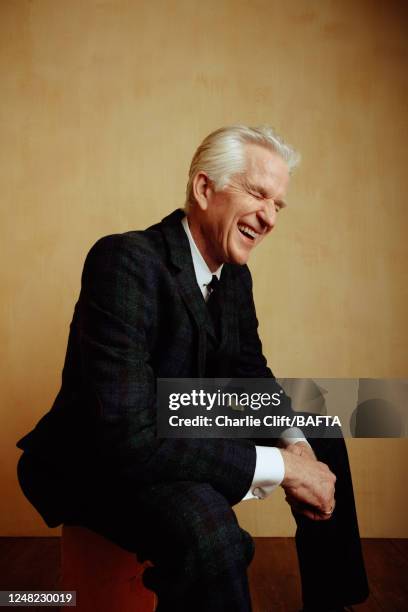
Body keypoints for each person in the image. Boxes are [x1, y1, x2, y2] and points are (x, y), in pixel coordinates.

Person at [17, 126, 369, 611]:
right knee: (208, 527)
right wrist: (283, 469)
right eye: (258, 194)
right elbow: (128, 436)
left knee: (317, 428)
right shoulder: (124, 261)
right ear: (205, 190)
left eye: (278, 205)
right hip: (102, 457)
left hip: (179, 422)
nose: (269, 217)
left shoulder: (234, 274)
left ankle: (334, 603)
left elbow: (250, 374)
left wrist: (297, 447)